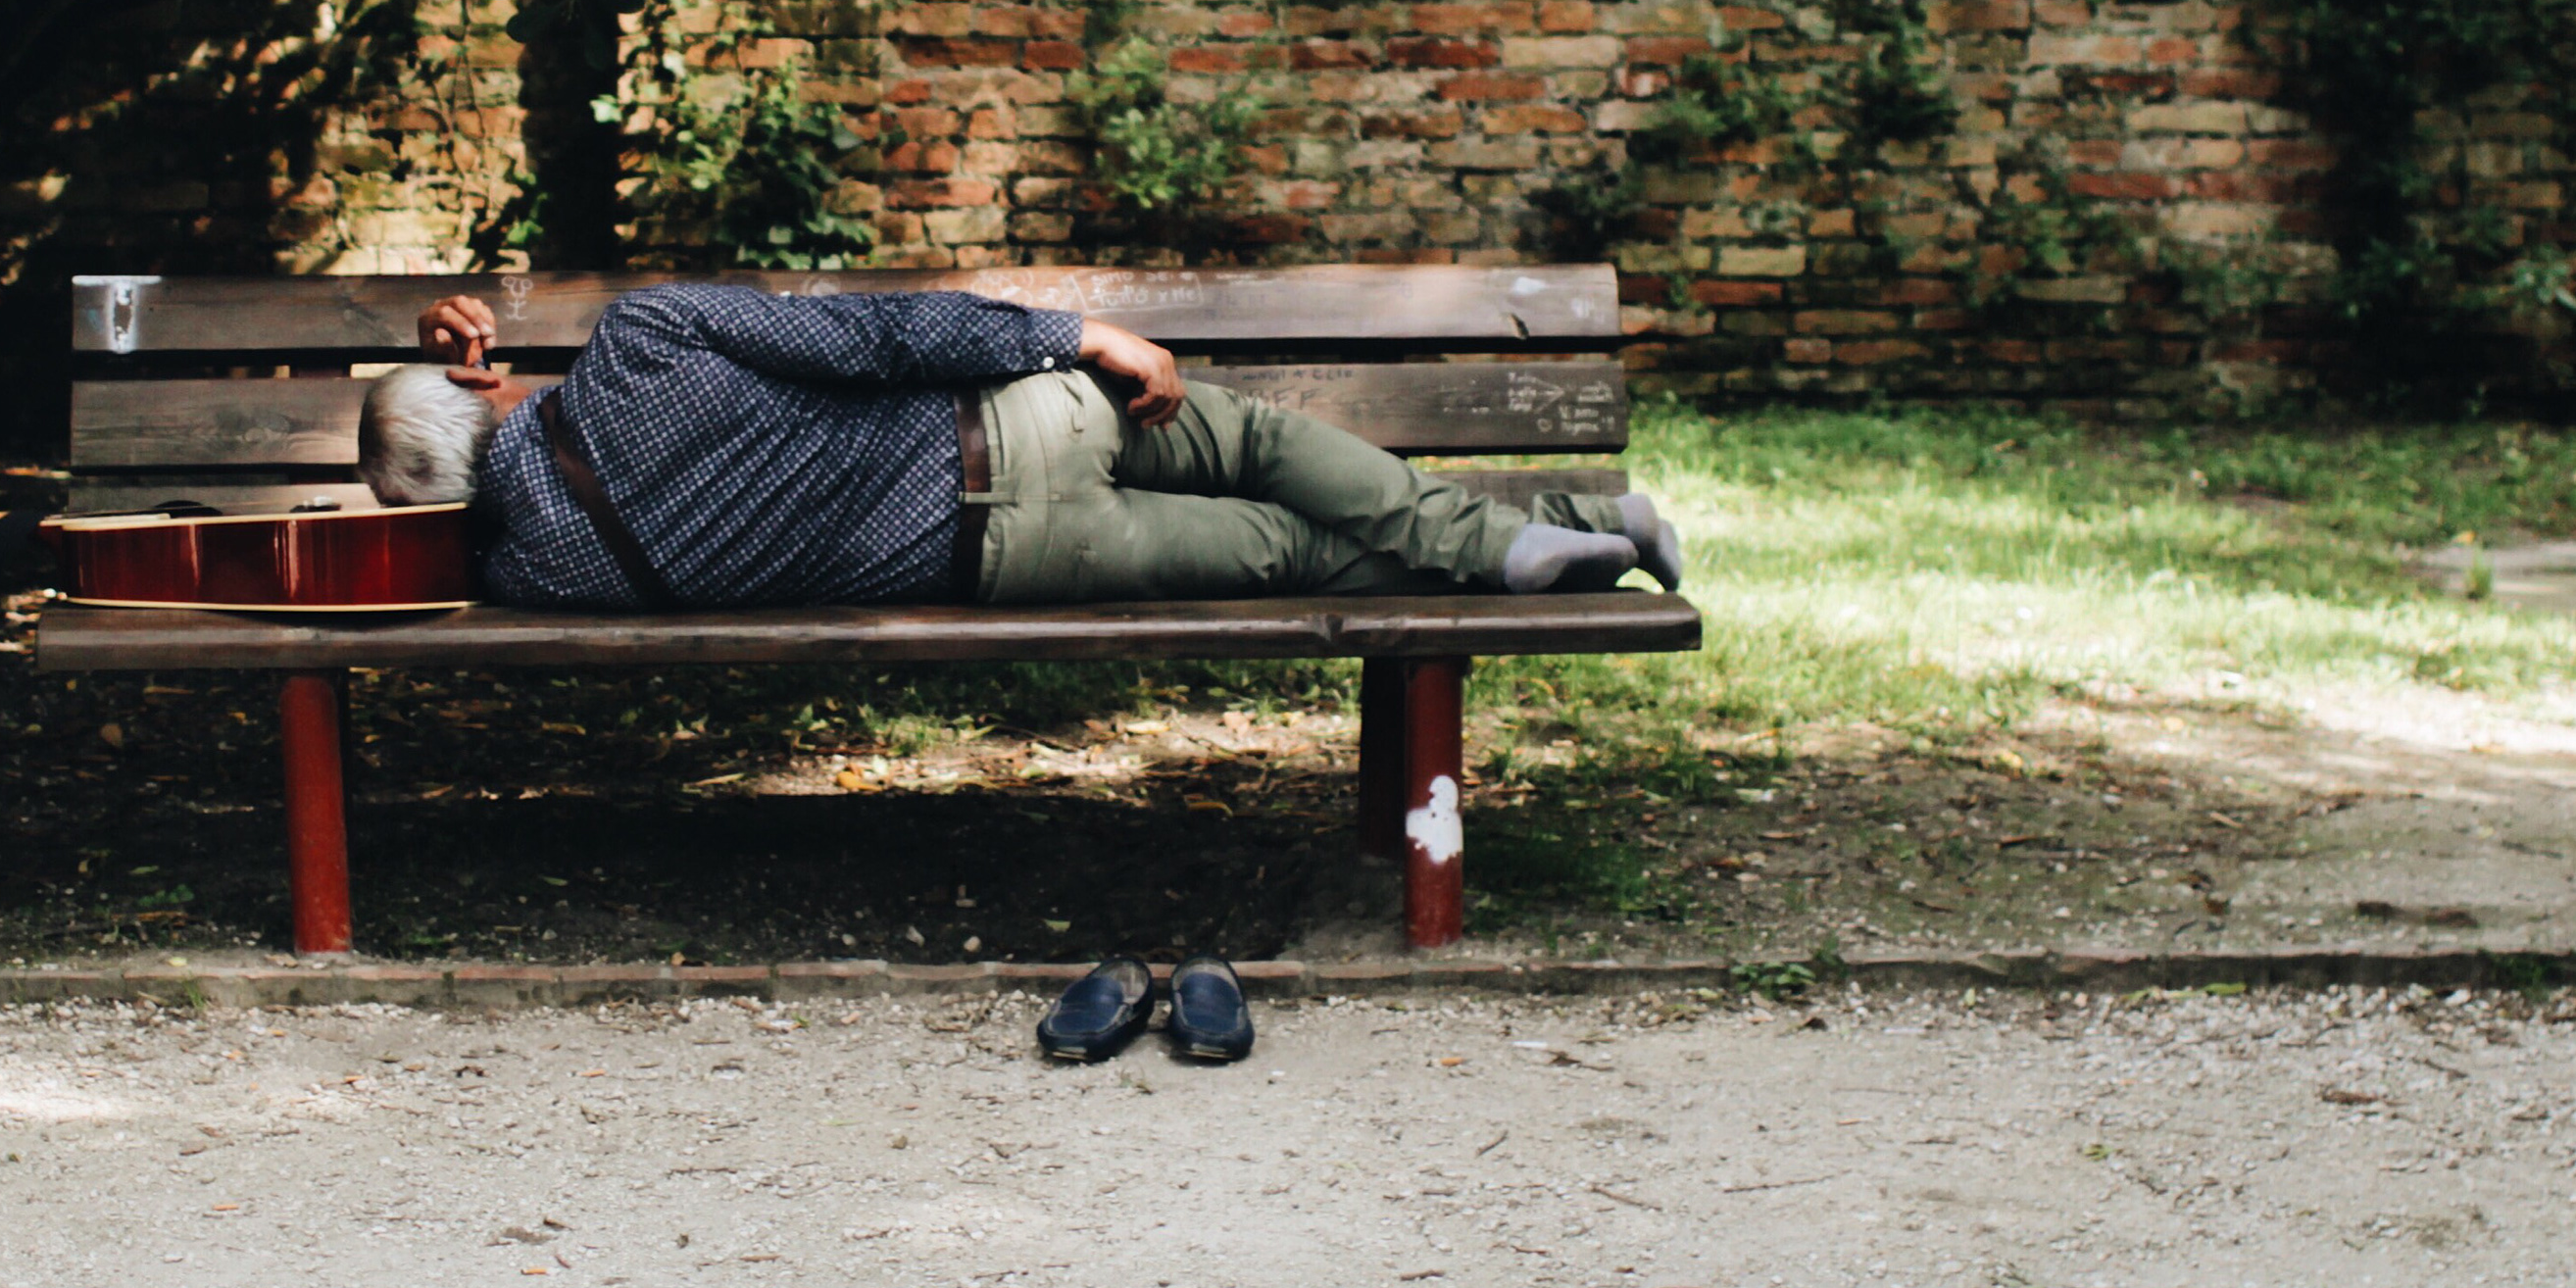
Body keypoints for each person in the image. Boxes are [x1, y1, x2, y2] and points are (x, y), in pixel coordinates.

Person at [356, 281, 1679, 1063]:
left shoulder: (538, 572)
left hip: (1024, 551)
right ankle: (1534, 534)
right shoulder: (641, 340)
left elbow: (477, 513)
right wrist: (1076, 328)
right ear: (476, 395)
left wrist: (476, 422)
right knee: (1268, 446)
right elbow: (876, 338)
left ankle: (1543, 538)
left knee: (1290, 549)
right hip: (1018, 419)